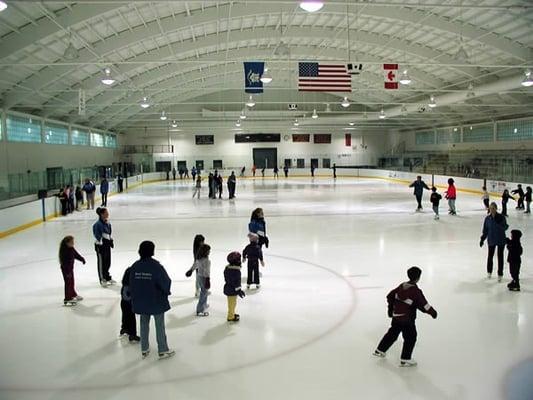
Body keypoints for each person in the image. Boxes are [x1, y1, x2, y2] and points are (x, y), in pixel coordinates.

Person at [373, 266, 437, 367]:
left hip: (396, 317)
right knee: (411, 337)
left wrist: (390, 309)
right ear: (418, 278)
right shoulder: (416, 291)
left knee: (392, 333)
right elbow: (424, 305)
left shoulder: (401, 286)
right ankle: (405, 359)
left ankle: (380, 350)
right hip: (407, 320)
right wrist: (433, 313)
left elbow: (390, 296)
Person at [130, 241, 174, 359]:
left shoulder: (135, 266)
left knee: (144, 324)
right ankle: (163, 349)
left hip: (141, 301)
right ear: (152, 251)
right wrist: (166, 292)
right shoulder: (156, 267)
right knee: (159, 325)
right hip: (156, 301)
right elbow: (166, 282)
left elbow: (131, 284)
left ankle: (144, 348)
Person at [480, 202, 508, 281]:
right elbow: (485, 230)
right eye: (490, 208)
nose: (491, 210)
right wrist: (482, 239)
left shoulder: (501, 217)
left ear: (496, 208)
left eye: (493, 208)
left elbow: (505, 227)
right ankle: (489, 271)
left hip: (500, 239)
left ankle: (500, 273)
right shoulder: (487, 219)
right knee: (490, 256)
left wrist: (500, 224)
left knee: (500, 257)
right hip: (491, 239)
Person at [59, 235, 86, 306]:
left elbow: (76, 255)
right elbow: (64, 263)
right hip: (66, 270)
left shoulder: (71, 248)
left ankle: (73, 294)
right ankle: (67, 298)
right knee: (68, 283)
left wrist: (82, 259)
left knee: (72, 282)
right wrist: (67, 272)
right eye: (71, 242)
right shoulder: (64, 251)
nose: (73, 243)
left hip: (70, 269)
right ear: (67, 243)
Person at [187, 244, 211, 316]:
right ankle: (200, 309)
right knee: (204, 293)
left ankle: (204, 304)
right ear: (205, 252)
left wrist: (191, 270)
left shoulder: (199, 259)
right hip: (204, 278)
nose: (210, 252)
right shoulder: (207, 261)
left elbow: (195, 265)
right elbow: (207, 271)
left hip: (199, 277)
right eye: (209, 251)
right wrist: (207, 279)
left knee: (204, 292)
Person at [93, 207, 115, 287]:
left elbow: (109, 234)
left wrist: (110, 240)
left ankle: (107, 276)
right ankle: (102, 279)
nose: (108, 214)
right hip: (101, 246)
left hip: (107, 244)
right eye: (106, 213)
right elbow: (97, 235)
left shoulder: (107, 223)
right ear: (102, 214)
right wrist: (100, 243)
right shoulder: (97, 225)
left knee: (107, 262)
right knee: (101, 262)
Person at [224, 251, 246, 322]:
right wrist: (239, 291)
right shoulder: (236, 272)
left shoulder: (228, 269)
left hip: (228, 288)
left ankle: (232, 313)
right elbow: (236, 283)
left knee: (232, 303)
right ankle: (230, 317)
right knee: (232, 304)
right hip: (232, 291)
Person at [120, 266, 140, 342]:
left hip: (124, 302)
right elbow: (127, 297)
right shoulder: (129, 287)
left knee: (125, 315)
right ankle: (132, 334)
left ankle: (124, 328)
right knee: (131, 318)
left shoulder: (125, 285)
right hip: (129, 302)